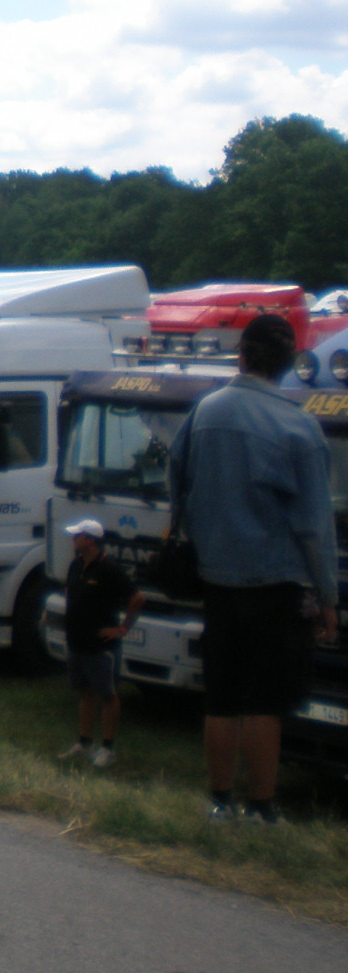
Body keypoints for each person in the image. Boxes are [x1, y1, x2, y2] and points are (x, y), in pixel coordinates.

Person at [166, 312, 340, 824]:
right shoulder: (299, 427)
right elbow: (313, 525)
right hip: (275, 583)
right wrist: (327, 597)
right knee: (264, 701)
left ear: (240, 353)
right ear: (288, 364)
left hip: (217, 579)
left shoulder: (204, 412)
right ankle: (262, 809)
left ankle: (219, 802)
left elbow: (176, 485)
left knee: (221, 696)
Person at [58, 518, 143, 769]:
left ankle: (108, 747)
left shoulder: (109, 568)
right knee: (85, 691)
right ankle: (84, 741)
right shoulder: (76, 564)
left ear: (91, 540)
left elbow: (137, 598)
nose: (74, 539)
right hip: (77, 641)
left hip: (101, 644)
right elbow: (69, 592)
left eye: (78, 536)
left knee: (108, 694)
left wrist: (123, 628)